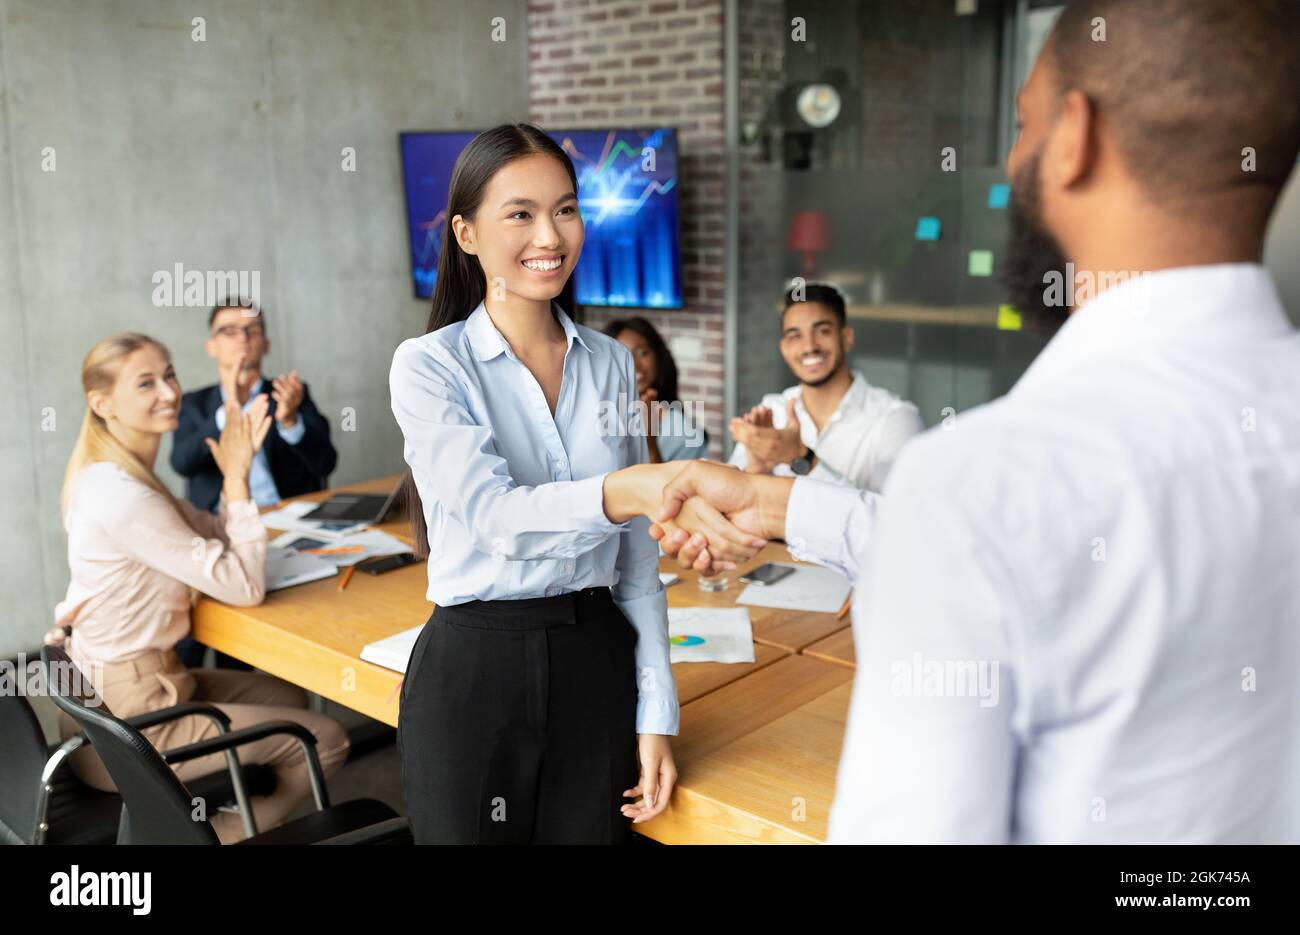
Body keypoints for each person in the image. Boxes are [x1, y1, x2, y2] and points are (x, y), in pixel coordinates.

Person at [651, 0, 1300, 843]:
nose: (1009, 157)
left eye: (1023, 122)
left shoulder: (984, 479)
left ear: (1076, 135)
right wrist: (775, 502)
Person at [388, 124, 760, 845]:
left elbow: (639, 567)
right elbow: (496, 516)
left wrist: (657, 715)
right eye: (519, 213)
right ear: (466, 233)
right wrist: (632, 486)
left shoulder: (612, 365)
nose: (550, 235)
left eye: (565, 208)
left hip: (597, 664)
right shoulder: (429, 365)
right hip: (474, 673)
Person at [51, 333, 351, 844]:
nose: (169, 391)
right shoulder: (121, 495)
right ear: (102, 404)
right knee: (325, 739)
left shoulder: (122, 474)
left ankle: (234, 810)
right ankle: (226, 834)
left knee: (286, 694)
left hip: (134, 687)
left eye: (169, 374)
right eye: (146, 382)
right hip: (130, 725)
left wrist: (234, 499)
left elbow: (206, 531)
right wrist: (235, 479)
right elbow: (244, 586)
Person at [170, 300, 338, 669]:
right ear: (211, 346)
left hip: (285, 526)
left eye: (252, 330)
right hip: (220, 530)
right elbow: (181, 463)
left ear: (266, 343)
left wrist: (290, 419)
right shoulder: (195, 404)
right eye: (229, 330)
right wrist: (228, 410)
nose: (242, 338)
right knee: (202, 633)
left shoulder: (291, 392)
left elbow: (326, 462)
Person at [728, 282, 922, 492]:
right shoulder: (771, 412)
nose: (809, 346)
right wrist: (758, 471)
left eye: (822, 331)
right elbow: (729, 505)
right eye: (795, 336)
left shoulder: (895, 419)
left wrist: (803, 458)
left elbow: (892, 517)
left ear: (846, 338)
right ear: (784, 349)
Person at [603, 316, 709, 462]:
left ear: (658, 356)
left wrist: (648, 438)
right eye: (623, 356)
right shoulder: (600, 414)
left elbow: (669, 485)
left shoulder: (684, 432)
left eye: (643, 353)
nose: (635, 365)